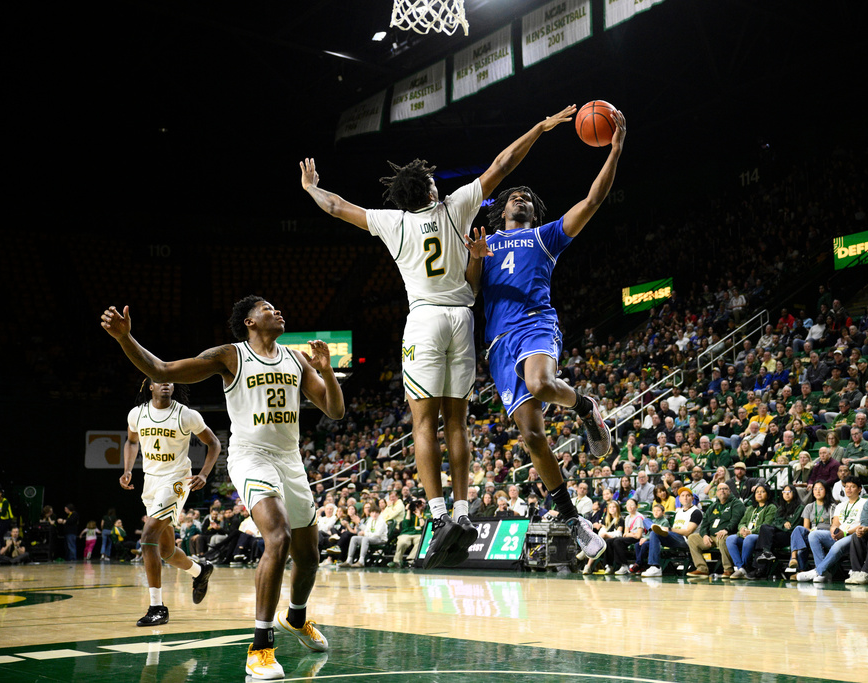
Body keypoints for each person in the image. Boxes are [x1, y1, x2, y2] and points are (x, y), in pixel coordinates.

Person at [301, 107, 577, 571]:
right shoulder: (456, 206)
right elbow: (503, 165)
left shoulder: (394, 222)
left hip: (424, 319)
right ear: (431, 190)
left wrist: (311, 188)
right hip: (463, 320)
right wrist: (540, 128)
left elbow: (336, 206)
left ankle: (438, 517)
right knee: (457, 421)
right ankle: (465, 511)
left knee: (422, 423)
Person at [101, 295, 345, 678]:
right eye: (267, 309)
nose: (277, 311)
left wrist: (327, 371)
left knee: (309, 557)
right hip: (251, 457)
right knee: (277, 537)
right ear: (249, 322)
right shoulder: (231, 356)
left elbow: (335, 410)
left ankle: (295, 618)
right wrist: (124, 339)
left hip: (290, 461)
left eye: (276, 308)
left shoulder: (296, 359)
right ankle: (261, 646)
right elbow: (162, 367)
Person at [463, 107, 628, 565]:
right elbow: (473, 290)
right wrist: (475, 258)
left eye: (527, 197)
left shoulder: (545, 237)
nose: (520, 198)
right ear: (501, 210)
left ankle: (585, 407)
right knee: (533, 438)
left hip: (535, 323)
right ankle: (572, 518)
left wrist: (613, 150)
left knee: (540, 384)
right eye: (514, 195)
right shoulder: (485, 242)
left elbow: (592, 201)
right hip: (498, 343)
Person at [120, 378, 222, 625]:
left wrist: (204, 474)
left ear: (174, 387)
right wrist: (127, 469)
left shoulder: (186, 415)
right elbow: (132, 441)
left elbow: (214, 443)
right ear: (150, 386)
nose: (165, 384)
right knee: (165, 550)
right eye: (159, 381)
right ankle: (200, 571)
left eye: (169, 381)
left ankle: (158, 607)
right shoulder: (137, 414)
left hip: (176, 480)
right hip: (151, 481)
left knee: (147, 539)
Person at [796, 476, 866, 582]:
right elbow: (835, 523)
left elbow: (863, 524)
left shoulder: (865, 503)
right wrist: (834, 531)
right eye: (846, 487)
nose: (849, 489)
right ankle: (824, 573)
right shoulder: (841, 505)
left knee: (838, 544)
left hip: (853, 535)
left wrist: (845, 533)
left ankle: (817, 571)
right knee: (813, 535)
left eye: (852, 487)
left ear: (860, 489)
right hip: (839, 534)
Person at [685, 482, 745, 577]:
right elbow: (704, 523)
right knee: (692, 538)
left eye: (725, 489)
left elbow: (735, 520)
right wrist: (704, 535)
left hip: (728, 535)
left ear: (730, 491)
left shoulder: (736, 503)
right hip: (711, 537)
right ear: (716, 493)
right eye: (720, 489)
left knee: (723, 538)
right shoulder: (713, 506)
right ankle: (702, 568)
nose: (722, 491)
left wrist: (726, 530)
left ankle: (728, 569)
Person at [639, 489, 702, 577]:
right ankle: (653, 528)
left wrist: (668, 529)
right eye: (683, 496)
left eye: (688, 495)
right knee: (647, 522)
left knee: (655, 533)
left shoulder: (696, 512)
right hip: (674, 538)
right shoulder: (679, 512)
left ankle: (655, 566)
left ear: (692, 498)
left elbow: (688, 532)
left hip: (685, 540)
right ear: (679, 499)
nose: (685, 498)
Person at [725, 483, 778, 578]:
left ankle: (746, 566)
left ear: (768, 494)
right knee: (730, 539)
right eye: (757, 492)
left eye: (762, 492)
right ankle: (740, 567)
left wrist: (750, 532)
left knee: (749, 538)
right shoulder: (750, 508)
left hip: (759, 536)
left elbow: (766, 525)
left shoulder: (771, 508)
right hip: (746, 534)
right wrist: (742, 529)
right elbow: (742, 522)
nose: (759, 494)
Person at [789, 481, 835, 572]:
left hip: (827, 535)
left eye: (821, 489)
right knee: (798, 529)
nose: (818, 491)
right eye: (815, 489)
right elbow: (806, 527)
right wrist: (812, 532)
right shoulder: (809, 507)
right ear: (812, 492)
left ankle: (801, 569)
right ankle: (794, 558)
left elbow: (834, 526)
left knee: (802, 542)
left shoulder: (832, 507)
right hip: (812, 533)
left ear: (826, 491)